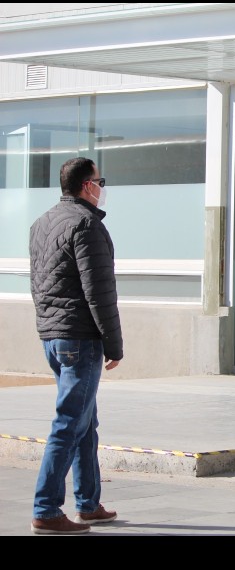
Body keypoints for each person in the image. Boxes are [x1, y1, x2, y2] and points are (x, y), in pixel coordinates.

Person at [28, 157, 123, 535]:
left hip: (54, 337)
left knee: (85, 421)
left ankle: (88, 503)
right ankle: (46, 509)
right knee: (69, 424)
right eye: (101, 181)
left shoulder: (42, 223)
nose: (102, 188)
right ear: (87, 186)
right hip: (79, 339)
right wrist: (114, 344)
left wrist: (48, 329)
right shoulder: (86, 224)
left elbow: (38, 283)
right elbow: (99, 292)